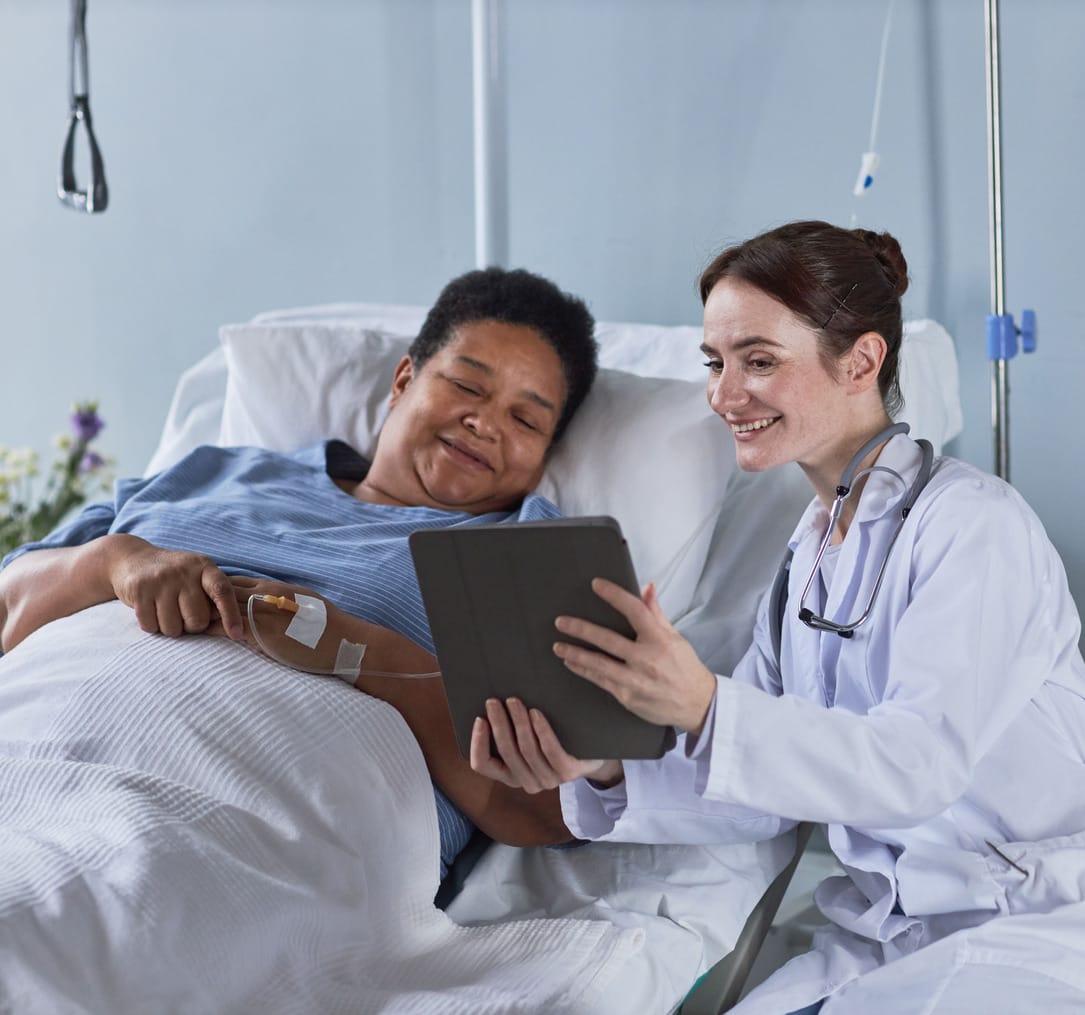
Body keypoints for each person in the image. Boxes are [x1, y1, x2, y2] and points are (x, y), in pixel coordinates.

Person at [471, 221, 1085, 1012]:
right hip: (881, 936)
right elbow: (757, 791)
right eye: (716, 363)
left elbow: (917, 765)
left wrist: (703, 703)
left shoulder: (975, 526)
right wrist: (601, 765)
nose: (724, 394)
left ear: (860, 361)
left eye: (758, 361)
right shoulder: (804, 559)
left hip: (1030, 922)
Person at [0, 265, 596, 879]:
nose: (486, 423)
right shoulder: (212, 472)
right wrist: (116, 561)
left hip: (255, 832)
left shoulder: (522, 559)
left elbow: (550, 808)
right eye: (467, 386)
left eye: (526, 421)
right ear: (404, 379)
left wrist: (348, 648)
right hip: (28, 751)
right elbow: (5, 608)